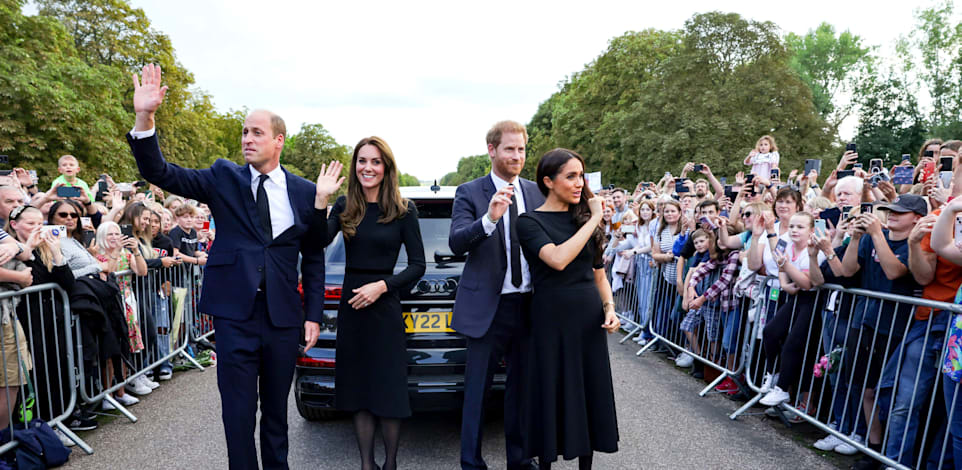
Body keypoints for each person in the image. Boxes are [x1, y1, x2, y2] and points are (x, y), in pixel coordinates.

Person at [126, 64, 326, 470]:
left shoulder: (305, 192)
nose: (247, 139)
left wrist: (314, 316)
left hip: (284, 317)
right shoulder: (222, 177)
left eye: (257, 132)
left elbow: (315, 257)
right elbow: (160, 172)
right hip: (236, 315)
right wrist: (145, 118)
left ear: (279, 140)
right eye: (244, 132)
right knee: (237, 416)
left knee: (275, 416)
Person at [314, 136, 425, 470]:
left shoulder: (404, 211)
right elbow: (317, 241)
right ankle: (367, 464)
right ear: (355, 166)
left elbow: (417, 265)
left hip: (385, 306)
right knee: (359, 390)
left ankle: (390, 464)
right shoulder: (347, 205)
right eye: (362, 161)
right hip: (353, 309)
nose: (368, 167)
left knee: (388, 390)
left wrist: (383, 286)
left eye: (375, 161)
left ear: (386, 167)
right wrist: (321, 199)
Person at [448, 120, 543, 470]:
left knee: (521, 390)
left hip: (528, 306)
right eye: (509, 149)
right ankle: (471, 462)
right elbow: (457, 242)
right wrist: (489, 218)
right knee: (477, 392)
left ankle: (519, 459)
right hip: (489, 309)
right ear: (492, 150)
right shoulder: (470, 192)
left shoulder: (536, 193)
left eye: (521, 149)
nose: (517, 156)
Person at [516, 148, 619, 469]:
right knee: (552, 391)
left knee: (588, 391)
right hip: (551, 319)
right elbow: (558, 259)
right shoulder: (529, 221)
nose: (579, 184)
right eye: (571, 176)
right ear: (548, 181)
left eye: (581, 176)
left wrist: (610, 308)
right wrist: (597, 219)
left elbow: (599, 274)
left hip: (588, 319)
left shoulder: (584, 219)